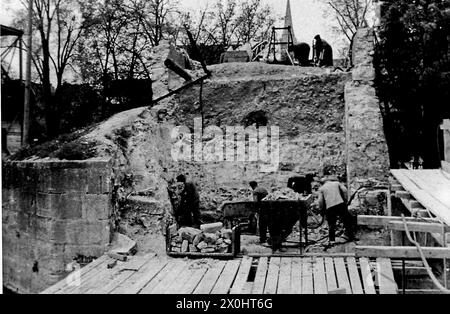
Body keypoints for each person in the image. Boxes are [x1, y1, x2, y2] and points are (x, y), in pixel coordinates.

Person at [317, 174, 355, 245]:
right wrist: (346, 200)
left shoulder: (321, 188)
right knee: (346, 220)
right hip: (340, 203)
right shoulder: (337, 183)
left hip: (330, 207)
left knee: (331, 224)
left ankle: (332, 241)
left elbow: (320, 201)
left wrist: (321, 209)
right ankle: (350, 236)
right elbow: (345, 190)